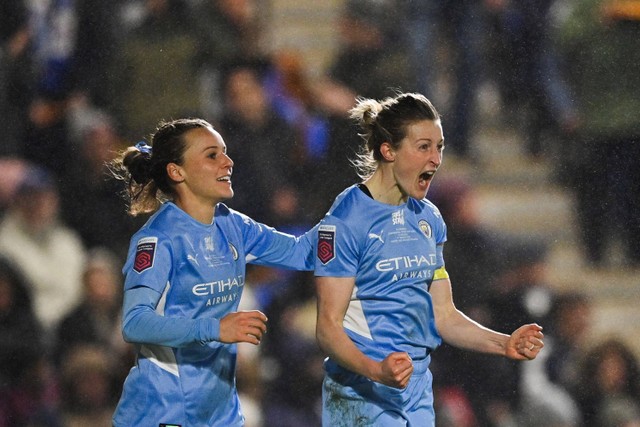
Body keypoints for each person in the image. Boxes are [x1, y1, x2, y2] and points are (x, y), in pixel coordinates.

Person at [313, 92, 544, 426]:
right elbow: (327, 328)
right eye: (423, 147)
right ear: (388, 150)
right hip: (361, 395)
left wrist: (504, 342)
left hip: (416, 394)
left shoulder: (428, 220)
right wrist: (376, 369)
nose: (435, 159)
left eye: (440, 147)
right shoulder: (346, 221)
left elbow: (444, 315)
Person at [108, 118, 316, 426]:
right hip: (164, 411)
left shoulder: (232, 225)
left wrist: (367, 203)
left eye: (225, 152)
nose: (228, 162)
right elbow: (135, 323)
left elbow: (304, 252)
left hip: (219, 411)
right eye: (212, 155)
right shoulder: (158, 240)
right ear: (176, 171)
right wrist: (215, 329)